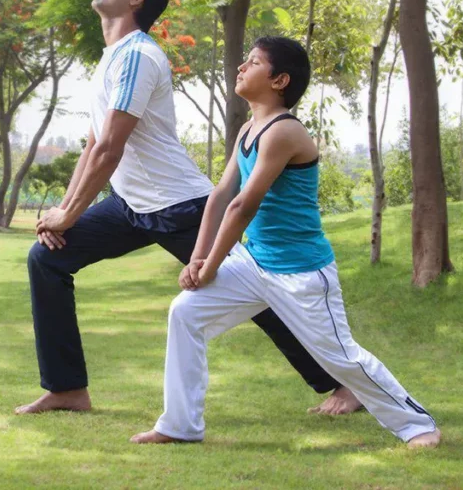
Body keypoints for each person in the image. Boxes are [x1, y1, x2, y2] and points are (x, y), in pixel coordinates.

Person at [15, 0, 362, 416]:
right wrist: (64, 211)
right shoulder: (111, 58)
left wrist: (70, 214)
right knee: (47, 259)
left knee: (260, 295)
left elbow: (111, 148)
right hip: (130, 205)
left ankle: (344, 384)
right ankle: (66, 389)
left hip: (180, 205)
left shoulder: (139, 55)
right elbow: (94, 143)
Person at [130, 36, 441, 448]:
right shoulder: (248, 128)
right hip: (254, 264)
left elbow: (243, 206)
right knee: (186, 313)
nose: (241, 67)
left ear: (279, 80)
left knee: (340, 357)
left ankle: (418, 426)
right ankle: (180, 425)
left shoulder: (284, 132)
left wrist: (211, 265)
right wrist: (198, 257)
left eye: (253, 62)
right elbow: (221, 196)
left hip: (300, 271)